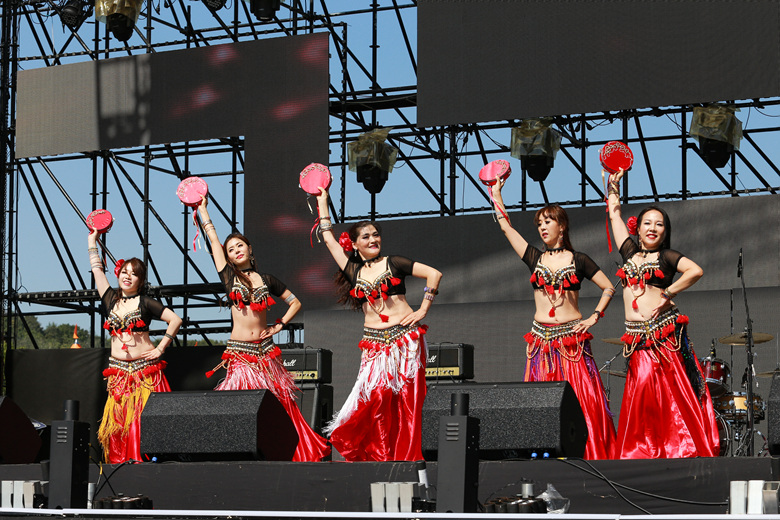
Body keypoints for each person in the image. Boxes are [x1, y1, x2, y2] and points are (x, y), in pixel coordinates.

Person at [490, 178, 617, 459]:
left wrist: (595, 316)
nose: (542, 227)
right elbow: (506, 227)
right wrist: (496, 193)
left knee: (580, 397)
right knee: (540, 399)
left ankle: (588, 453)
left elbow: (608, 287)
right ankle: (541, 451)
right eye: (539, 223)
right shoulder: (534, 258)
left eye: (548, 222)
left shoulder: (579, 259)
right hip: (541, 341)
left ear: (562, 226)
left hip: (571, 340)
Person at [197, 196, 330, 462]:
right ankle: (239, 453)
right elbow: (213, 241)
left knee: (279, 403)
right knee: (240, 403)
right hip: (240, 353)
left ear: (250, 248)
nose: (236, 250)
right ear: (228, 256)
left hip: (265, 352)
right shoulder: (229, 277)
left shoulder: (267, 280)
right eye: (231, 249)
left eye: (240, 245)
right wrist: (203, 211)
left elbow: (295, 302)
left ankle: (287, 451)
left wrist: (279, 325)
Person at [313, 186, 442, 462]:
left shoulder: (394, 262)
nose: (373, 239)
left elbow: (434, 274)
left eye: (376, 234)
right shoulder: (353, 270)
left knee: (408, 400)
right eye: (366, 236)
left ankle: (406, 458)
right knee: (377, 399)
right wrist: (322, 200)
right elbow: (328, 239)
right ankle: (380, 456)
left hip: (406, 339)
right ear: (354, 244)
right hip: (374, 345)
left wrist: (423, 309)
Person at [606, 169, 719, 459]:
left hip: (662, 334)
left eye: (659, 224)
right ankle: (645, 449)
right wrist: (613, 186)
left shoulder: (667, 257)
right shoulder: (629, 253)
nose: (653, 228)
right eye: (647, 223)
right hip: (636, 337)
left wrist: (668, 293)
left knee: (669, 391)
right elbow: (614, 217)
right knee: (643, 393)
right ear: (638, 228)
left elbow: (695, 271)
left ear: (665, 232)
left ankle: (675, 448)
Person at [88, 228, 183, 464]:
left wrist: (161, 348)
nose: (127, 276)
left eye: (134, 274)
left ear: (140, 281)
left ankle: (146, 462)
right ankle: (121, 464)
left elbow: (175, 320)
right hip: (119, 373)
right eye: (124, 272)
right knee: (119, 421)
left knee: (142, 420)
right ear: (118, 275)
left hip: (144, 372)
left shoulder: (146, 302)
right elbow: (97, 270)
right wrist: (92, 240)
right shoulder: (110, 299)